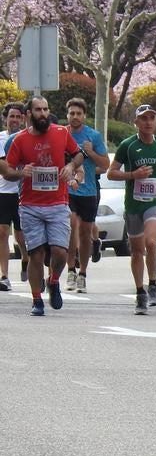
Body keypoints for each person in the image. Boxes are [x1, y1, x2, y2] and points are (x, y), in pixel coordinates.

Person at [0, 97, 84, 314]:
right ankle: (37, 300)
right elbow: (7, 171)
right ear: (29, 114)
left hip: (57, 202)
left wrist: (70, 166)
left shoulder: (61, 133)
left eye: (46, 109)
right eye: (38, 110)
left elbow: (78, 155)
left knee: (59, 252)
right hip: (30, 205)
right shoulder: (20, 140)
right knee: (36, 254)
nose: (43, 113)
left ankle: (54, 280)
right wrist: (21, 172)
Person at [108, 104, 156, 313]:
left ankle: (153, 284)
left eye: (151, 118)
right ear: (135, 122)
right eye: (143, 119)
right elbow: (111, 173)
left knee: (151, 242)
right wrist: (133, 175)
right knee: (137, 251)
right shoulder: (127, 146)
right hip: (134, 204)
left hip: (155, 202)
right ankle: (140, 292)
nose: (148, 122)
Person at [62, 98, 109, 294]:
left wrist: (91, 153)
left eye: (78, 113)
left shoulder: (93, 136)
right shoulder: (61, 134)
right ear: (67, 115)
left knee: (85, 233)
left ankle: (82, 274)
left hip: (88, 190)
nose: (75, 117)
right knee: (71, 224)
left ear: (84, 116)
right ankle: (70, 270)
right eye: (72, 113)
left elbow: (105, 165)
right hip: (67, 190)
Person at [0, 102, 28, 290]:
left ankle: (25, 256)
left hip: (22, 193)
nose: (15, 120)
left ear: (23, 119)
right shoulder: (1, 139)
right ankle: (4, 276)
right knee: (2, 233)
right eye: (12, 116)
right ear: (5, 119)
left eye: (18, 117)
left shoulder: (27, 138)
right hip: (3, 192)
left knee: (21, 235)